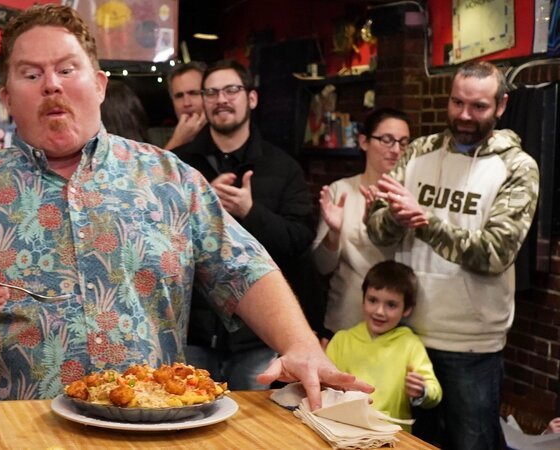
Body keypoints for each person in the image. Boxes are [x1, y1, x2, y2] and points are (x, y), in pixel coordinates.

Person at [0, 3, 373, 410]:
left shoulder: (170, 179)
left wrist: (301, 345)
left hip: (152, 432)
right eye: (31, 74)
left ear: (100, 84)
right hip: (21, 439)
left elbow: (244, 269)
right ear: (7, 97)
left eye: (68, 69)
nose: (52, 84)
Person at [366, 60, 540, 450]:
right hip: (406, 333)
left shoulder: (516, 167)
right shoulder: (419, 152)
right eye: (456, 103)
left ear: (500, 106)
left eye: (477, 106)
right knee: (408, 441)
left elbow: (495, 253)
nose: (464, 115)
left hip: (472, 344)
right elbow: (377, 232)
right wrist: (395, 217)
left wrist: (425, 222)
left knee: (471, 443)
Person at [172, 59, 322, 389]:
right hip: (192, 335)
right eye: (211, 92)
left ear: (251, 99)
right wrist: (200, 204)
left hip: (257, 340)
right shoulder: (180, 165)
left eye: (231, 90)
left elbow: (298, 241)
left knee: (255, 435)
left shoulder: (284, 167)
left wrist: (250, 211)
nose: (221, 99)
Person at [312, 108, 410, 339]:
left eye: (404, 142)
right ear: (364, 141)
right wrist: (334, 234)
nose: (396, 149)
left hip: (397, 329)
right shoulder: (342, 191)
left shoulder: (410, 196)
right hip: (345, 320)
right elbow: (321, 266)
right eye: (387, 140)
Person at [325, 260, 442, 431]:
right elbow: (324, 385)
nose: (380, 311)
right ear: (363, 299)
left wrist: (422, 391)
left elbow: (434, 391)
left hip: (391, 435)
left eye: (391, 305)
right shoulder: (342, 339)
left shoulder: (410, 344)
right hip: (342, 430)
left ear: (407, 309)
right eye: (373, 300)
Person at [164, 61, 207, 150]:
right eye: (179, 96)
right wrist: (177, 141)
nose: (186, 103)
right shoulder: (158, 139)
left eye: (194, 93)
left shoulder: (227, 132)